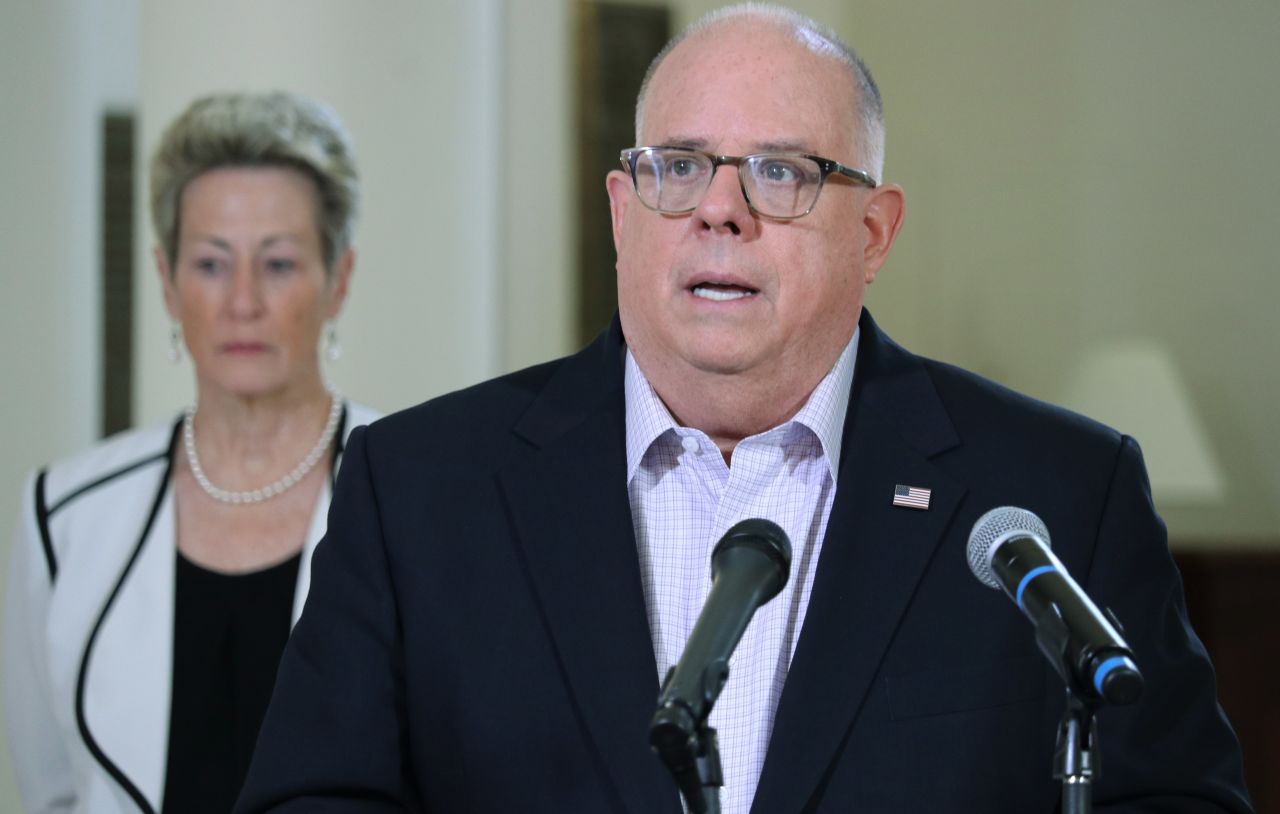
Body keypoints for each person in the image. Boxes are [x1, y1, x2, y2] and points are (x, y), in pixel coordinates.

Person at [235, 6, 1253, 813]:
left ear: (874, 230)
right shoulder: (418, 489)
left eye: (780, 171)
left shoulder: (1054, 496)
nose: (720, 208)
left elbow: (1171, 798)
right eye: (677, 166)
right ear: (622, 213)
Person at [3, 91, 381, 814]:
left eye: (277, 264)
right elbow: (52, 791)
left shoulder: (419, 496)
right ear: (167, 283)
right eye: (210, 264)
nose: (242, 301)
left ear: (338, 279)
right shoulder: (66, 515)